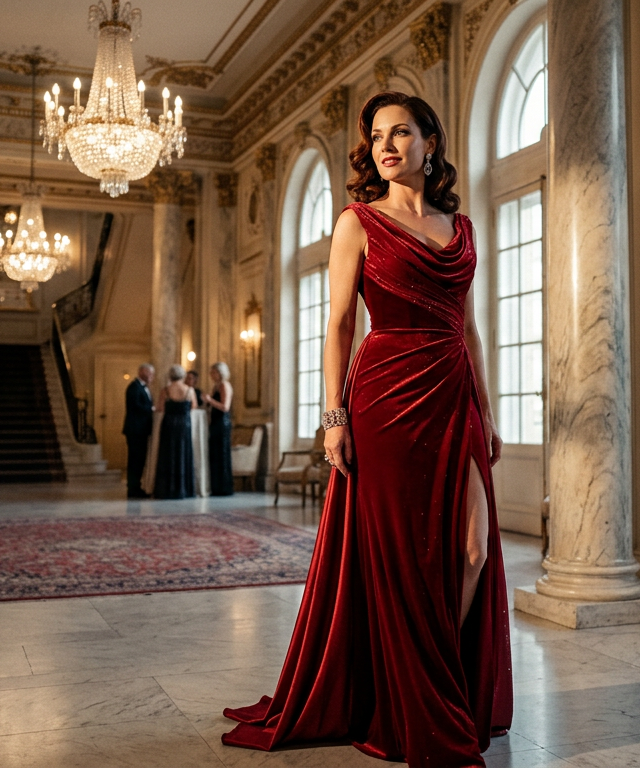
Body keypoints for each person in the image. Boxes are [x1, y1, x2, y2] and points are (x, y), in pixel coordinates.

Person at [222, 92, 511, 766]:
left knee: (470, 550)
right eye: (378, 136)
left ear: (430, 143)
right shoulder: (358, 222)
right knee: (399, 557)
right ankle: (413, 696)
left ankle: (437, 678)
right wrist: (334, 417)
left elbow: (469, 328)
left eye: (402, 132)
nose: (387, 145)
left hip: (454, 394)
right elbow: (339, 326)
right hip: (384, 397)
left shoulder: (461, 229)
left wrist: (488, 409)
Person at [151, 364, 198, 499]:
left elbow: (160, 408)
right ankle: (184, 489)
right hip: (184, 424)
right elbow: (193, 407)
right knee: (183, 453)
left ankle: (167, 489)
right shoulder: (190, 390)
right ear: (183, 376)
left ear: (170, 376)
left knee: (168, 454)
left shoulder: (165, 390)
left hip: (169, 424)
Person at [123, 363, 155, 499]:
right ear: (142, 372)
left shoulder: (142, 387)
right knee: (135, 460)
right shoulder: (134, 387)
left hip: (141, 430)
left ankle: (136, 486)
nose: (152, 377)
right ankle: (133, 488)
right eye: (150, 373)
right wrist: (152, 410)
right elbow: (136, 406)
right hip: (135, 430)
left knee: (139, 460)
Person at [204, 361, 235, 496]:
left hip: (222, 423)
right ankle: (216, 486)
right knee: (215, 454)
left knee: (221, 454)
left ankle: (224, 487)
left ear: (220, 373)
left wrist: (209, 400)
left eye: (214, 372)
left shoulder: (224, 385)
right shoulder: (216, 386)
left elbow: (225, 407)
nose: (211, 375)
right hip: (215, 422)